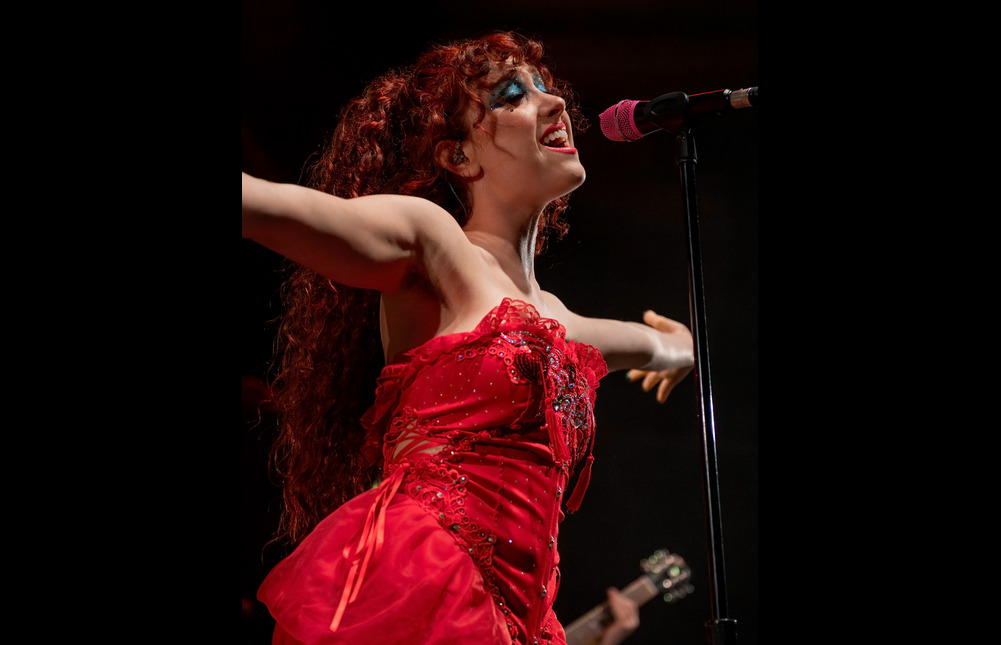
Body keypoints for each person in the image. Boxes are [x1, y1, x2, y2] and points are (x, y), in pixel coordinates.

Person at [242, 30, 694, 645]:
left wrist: (678, 346)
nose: (554, 103)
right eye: (513, 95)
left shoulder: (564, 324)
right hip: (421, 579)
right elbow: (278, 207)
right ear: (458, 157)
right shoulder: (434, 242)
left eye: (545, 87)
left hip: (519, 618)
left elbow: (655, 345)